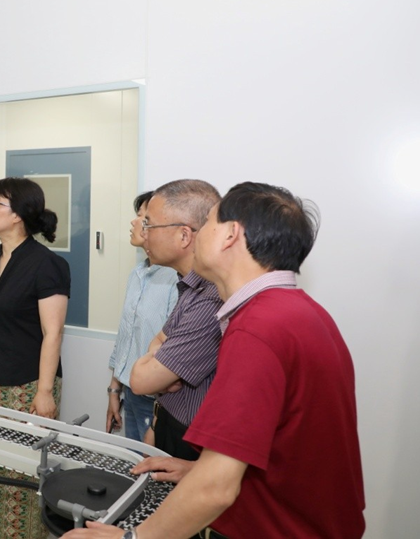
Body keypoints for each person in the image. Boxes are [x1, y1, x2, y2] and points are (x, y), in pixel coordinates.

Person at [62, 182, 365, 539]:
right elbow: (282, 448)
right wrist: (198, 469)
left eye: (207, 223)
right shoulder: (300, 312)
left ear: (230, 235)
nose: (196, 233)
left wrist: (133, 537)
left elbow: (216, 490)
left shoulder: (258, 328)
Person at [0, 177, 71, 539]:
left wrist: (44, 392)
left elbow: (53, 333)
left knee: (21, 478)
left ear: (17, 216)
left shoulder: (47, 265)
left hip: (26, 388)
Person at [129, 179, 222, 460]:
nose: (143, 233)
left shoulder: (212, 296)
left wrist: (159, 370)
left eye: (149, 224)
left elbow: (141, 380)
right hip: (169, 422)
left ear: (184, 236)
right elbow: (156, 344)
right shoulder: (189, 285)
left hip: (192, 441)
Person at [106, 192, 179, 442]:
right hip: (131, 393)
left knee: (149, 464)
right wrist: (114, 390)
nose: (134, 222)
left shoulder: (175, 278)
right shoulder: (137, 273)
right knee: (133, 463)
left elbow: (171, 350)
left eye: (143, 217)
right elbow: (126, 337)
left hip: (158, 399)